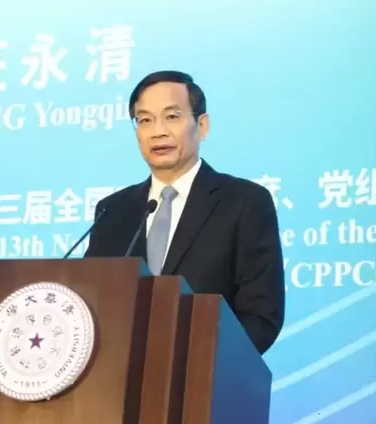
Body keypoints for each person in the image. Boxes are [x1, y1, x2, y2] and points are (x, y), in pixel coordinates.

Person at [84, 70, 285, 354]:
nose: (158, 131)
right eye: (145, 120)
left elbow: (261, 315)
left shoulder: (244, 202)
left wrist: (201, 363)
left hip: (205, 374)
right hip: (118, 376)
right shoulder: (112, 210)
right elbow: (91, 303)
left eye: (172, 116)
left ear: (202, 126)